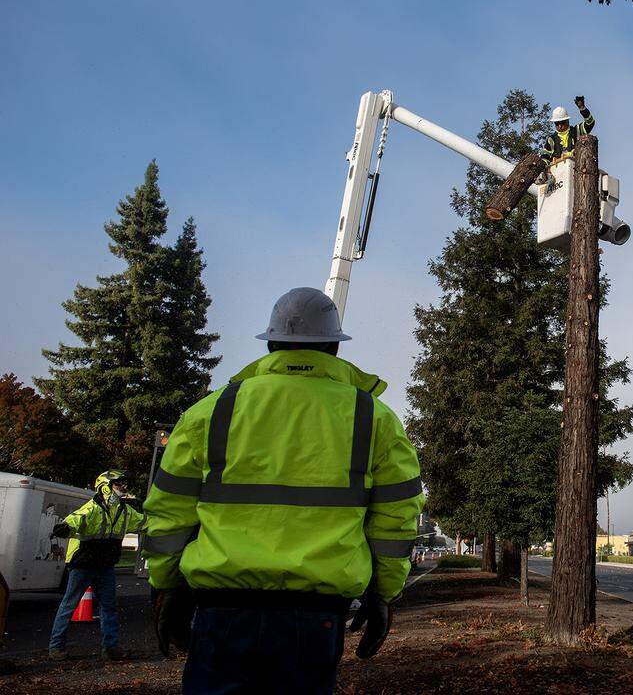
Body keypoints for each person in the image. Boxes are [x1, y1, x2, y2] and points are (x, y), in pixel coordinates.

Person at [142, 287, 424, 694]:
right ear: (334, 348)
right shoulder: (373, 417)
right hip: (315, 615)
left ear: (272, 344)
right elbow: (395, 520)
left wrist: (166, 585)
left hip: (223, 609)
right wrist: (383, 593)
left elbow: (168, 512)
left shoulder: (211, 411)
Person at [48, 469, 145, 660]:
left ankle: (110, 649)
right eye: (118, 484)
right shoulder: (91, 508)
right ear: (105, 488)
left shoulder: (125, 511)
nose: (123, 488)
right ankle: (56, 647)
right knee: (69, 604)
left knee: (109, 607)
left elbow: (145, 523)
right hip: (82, 565)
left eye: (123, 484)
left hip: (105, 566)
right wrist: (66, 527)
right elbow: (76, 519)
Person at [542, 95, 595, 166]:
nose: (560, 126)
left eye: (562, 122)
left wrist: (583, 109)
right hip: (558, 173)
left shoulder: (577, 131)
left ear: (567, 120)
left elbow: (590, 122)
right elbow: (545, 158)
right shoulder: (551, 139)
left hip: (577, 170)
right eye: (557, 123)